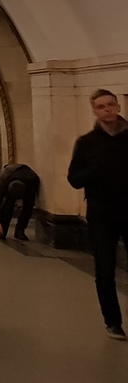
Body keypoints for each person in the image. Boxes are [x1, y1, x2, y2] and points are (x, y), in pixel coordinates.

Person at [66, 89, 128, 341]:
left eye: (111, 105)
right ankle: (112, 321)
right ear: (94, 111)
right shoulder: (87, 143)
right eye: (101, 106)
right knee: (104, 268)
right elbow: (74, 179)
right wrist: (95, 170)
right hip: (101, 213)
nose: (107, 110)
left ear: (118, 107)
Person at [0, 161, 39, 242]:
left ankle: (20, 230)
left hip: (26, 182)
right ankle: (3, 230)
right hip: (10, 177)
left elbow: (29, 206)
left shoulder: (33, 180)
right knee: (7, 206)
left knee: (28, 207)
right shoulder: (4, 180)